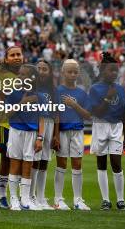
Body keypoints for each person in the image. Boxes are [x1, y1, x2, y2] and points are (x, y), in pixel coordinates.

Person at [90, 53, 125, 210]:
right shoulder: (94, 89)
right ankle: (105, 200)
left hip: (116, 127)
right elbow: (97, 112)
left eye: (116, 70)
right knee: (101, 163)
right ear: (102, 71)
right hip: (100, 125)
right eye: (111, 70)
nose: (114, 73)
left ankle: (121, 200)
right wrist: (107, 98)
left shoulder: (120, 89)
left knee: (116, 163)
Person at [53, 59, 92, 211]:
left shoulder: (82, 93)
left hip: (77, 131)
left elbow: (88, 115)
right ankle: (58, 199)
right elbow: (55, 114)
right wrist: (55, 135)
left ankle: (77, 200)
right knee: (61, 164)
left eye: (75, 72)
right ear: (63, 72)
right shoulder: (57, 92)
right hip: (62, 131)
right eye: (69, 71)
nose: (72, 74)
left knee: (77, 164)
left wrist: (74, 105)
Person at [5, 64, 44, 211]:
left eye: (24, 75)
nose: (20, 77)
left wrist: (40, 137)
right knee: (15, 164)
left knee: (28, 165)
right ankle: (14, 199)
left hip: (33, 134)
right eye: (19, 74)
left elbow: (41, 118)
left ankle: (25, 198)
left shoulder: (39, 96)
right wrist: (22, 103)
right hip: (16, 131)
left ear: (32, 78)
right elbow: (7, 114)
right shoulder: (13, 93)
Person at [0, 45, 23, 209]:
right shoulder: (2, 76)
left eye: (19, 54)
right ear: (6, 59)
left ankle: (22, 196)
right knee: (7, 158)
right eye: (13, 55)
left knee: (24, 159)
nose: (17, 57)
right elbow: (0, 98)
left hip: (26, 124)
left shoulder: (27, 76)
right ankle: (3, 196)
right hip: (6, 123)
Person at [30, 59, 57, 210]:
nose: (41, 71)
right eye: (38, 68)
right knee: (35, 158)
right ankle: (30, 195)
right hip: (35, 123)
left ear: (49, 72)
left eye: (44, 69)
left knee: (45, 160)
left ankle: (40, 197)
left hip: (50, 124)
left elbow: (57, 113)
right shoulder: (31, 88)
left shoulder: (53, 90)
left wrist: (56, 135)